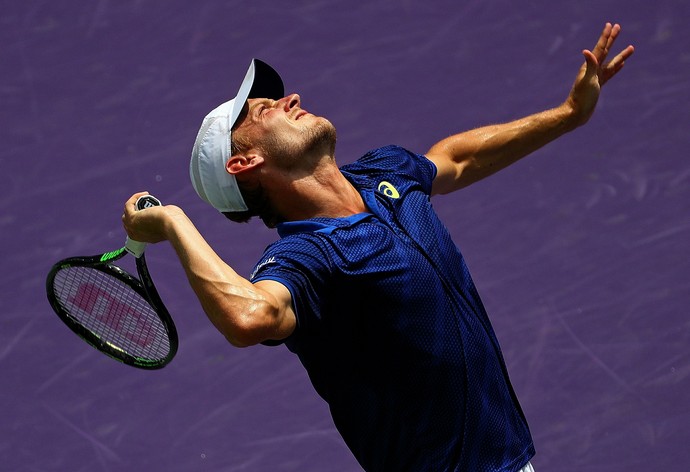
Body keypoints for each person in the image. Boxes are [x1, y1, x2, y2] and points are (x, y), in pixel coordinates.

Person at [123, 22, 634, 472]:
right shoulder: (307, 259)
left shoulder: (385, 173)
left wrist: (569, 114)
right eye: (265, 110)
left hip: (509, 459)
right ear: (244, 162)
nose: (291, 99)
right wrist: (173, 222)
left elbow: (456, 160)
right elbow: (252, 317)